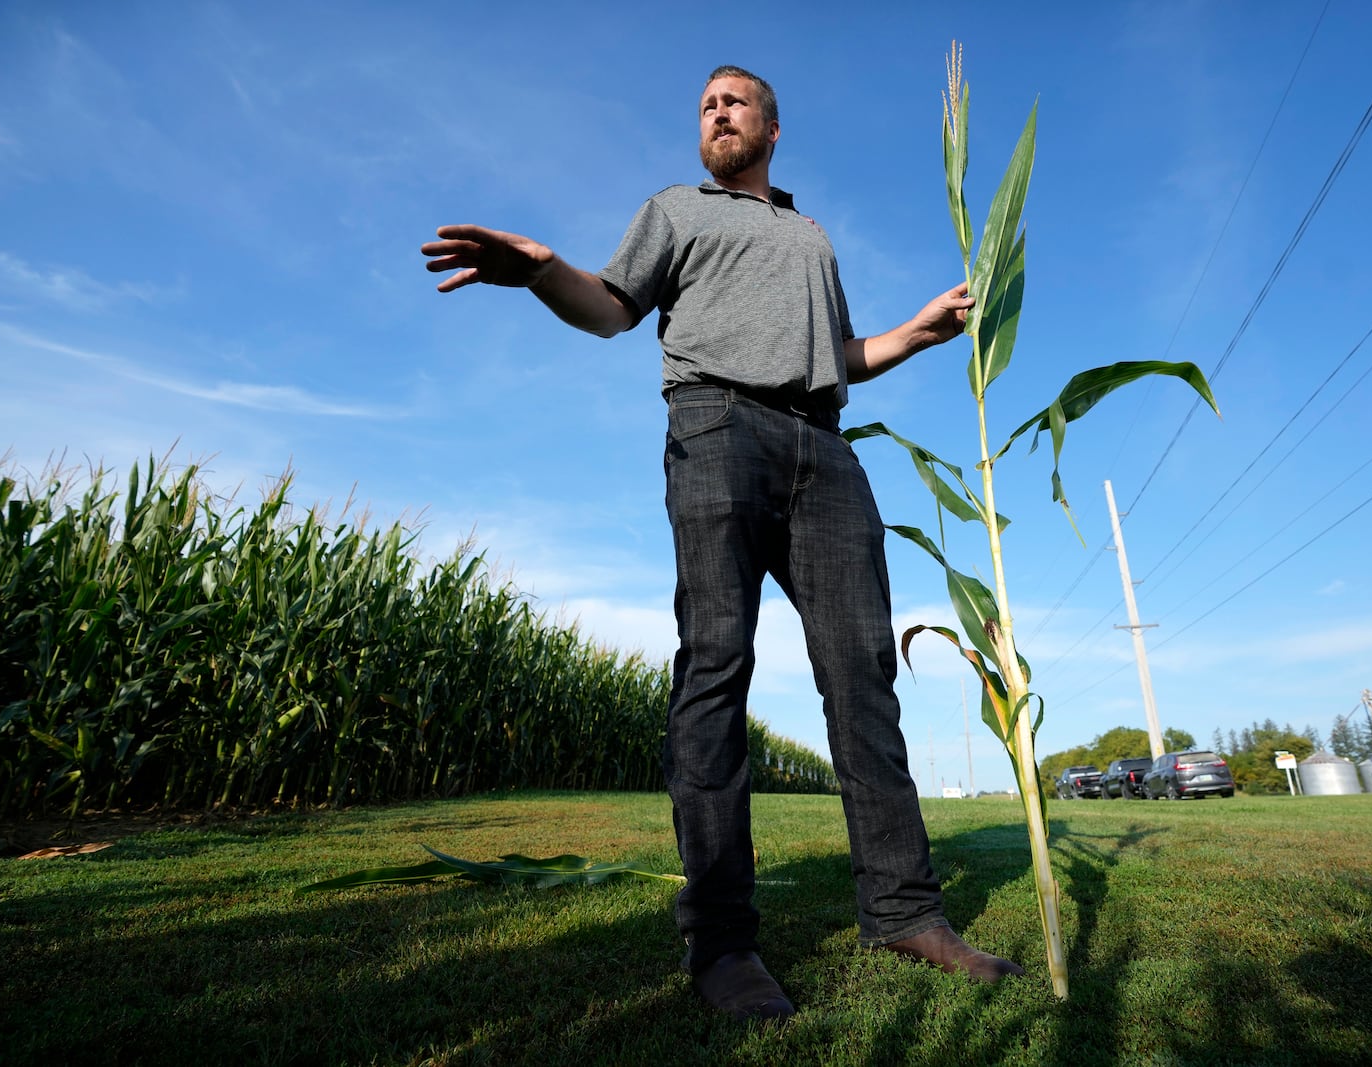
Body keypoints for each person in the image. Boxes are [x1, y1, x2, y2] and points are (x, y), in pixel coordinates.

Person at [421, 64, 1023, 1021]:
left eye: (734, 101)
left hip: (824, 447)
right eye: (706, 105)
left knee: (864, 674)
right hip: (715, 427)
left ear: (773, 128)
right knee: (716, 665)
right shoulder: (676, 210)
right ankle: (723, 941)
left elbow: (841, 357)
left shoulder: (812, 237)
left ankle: (907, 913)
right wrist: (540, 270)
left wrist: (913, 332)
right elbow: (613, 309)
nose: (716, 113)